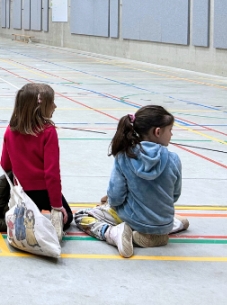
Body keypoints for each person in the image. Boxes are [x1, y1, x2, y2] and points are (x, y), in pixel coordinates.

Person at [74, 105, 189, 258]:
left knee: (81, 216)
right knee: (179, 221)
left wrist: (109, 203)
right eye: (170, 130)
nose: (172, 134)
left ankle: (112, 233)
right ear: (158, 132)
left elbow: (116, 197)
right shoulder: (174, 159)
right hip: (162, 223)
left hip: (134, 220)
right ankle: (160, 230)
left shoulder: (125, 156)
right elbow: (174, 195)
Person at [0, 83, 70, 240]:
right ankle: (49, 224)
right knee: (68, 217)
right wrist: (57, 207)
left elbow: (5, 165)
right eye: (52, 102)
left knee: (31, 214)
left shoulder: (10, 129)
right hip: (43, 192)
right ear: (41, 107)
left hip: (22, 192)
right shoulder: (48, 132)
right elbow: (51, 173)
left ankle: (28, 219)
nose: (55, 106)